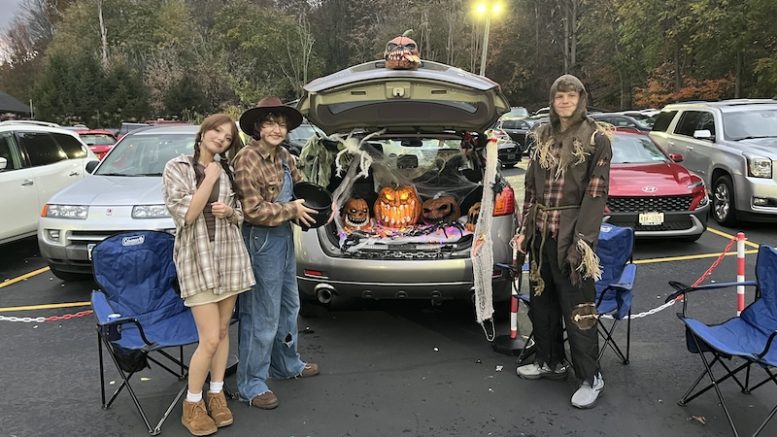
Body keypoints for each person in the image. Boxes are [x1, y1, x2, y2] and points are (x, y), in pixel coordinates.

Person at [513, 74, 612, 409]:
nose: (565, 101)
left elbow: (596, 195)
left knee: (579, 308)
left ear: (581, 99)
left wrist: (582, 243)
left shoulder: (596, 138)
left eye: (571, 96)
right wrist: (525, 230)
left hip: (573, 235)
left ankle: (590, 377)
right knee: (542, 304)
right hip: (542, 235)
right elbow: (529, 188)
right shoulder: (542, 134)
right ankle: (550, 361)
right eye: (560, 97)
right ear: (553, 101)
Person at [162, 113, 256, 435]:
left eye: (228, 137)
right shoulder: (178, 168)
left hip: (229, 258)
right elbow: (186, 215)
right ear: (203, 133)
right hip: (196, 260)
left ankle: (216, 395)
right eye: (216, 131)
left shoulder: (227, 172)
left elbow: (240, 215)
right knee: (210, 337)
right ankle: (192, 402)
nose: (221, 138)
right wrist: (209, 176)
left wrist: (231, 212)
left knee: (224, 332)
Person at [232, 96, 319, 410]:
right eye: (270, 123)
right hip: (260, 240)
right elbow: (252, 210)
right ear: (258, 127)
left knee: (289, 304)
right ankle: (251, 384)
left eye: (281, 124)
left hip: (283, 236)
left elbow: (300, 190)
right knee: (261, 314)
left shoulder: (285, 157)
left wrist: (322, 204)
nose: (276, 129)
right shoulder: (246, 159)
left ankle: (286, 364)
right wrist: (291, 209)